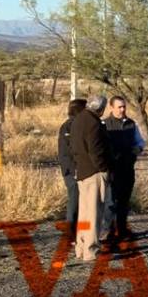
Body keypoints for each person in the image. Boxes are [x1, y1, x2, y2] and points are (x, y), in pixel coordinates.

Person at [69, 95, 112, 262]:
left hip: (82, 171)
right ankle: (91, 250)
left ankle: (81, 247)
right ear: (100, 109)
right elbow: (95, 150)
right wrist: (103, 167)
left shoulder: (78, 120)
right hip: (94, 173)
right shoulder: (93, 123)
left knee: (84, 214)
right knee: (94, 213)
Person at [103, 95, 145, 239]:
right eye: (119, 107)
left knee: (124, 201)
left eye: (124, 107)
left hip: (127, 168)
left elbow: (140, 142)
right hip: (112, 170)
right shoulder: (104, 124)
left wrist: (136, 150)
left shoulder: (131, 124)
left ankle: (122, 230)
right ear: (111, 107)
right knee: (110, 201)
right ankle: (107, 231)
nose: (122, 109)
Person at [56, 98, 87, 239]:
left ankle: (82, 232)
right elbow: (69, 152)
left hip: (76, 169)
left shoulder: (77, 124)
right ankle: (71, 233)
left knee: (82, 203)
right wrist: (73, 170)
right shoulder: (69, 126)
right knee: (74, 202)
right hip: (72, 171)